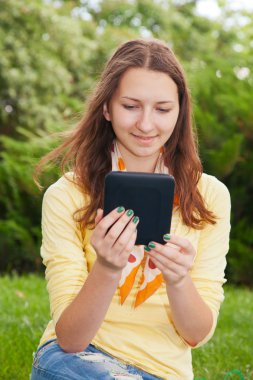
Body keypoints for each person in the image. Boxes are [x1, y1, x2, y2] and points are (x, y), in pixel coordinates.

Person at [31, 38, 231, 380]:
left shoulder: (209, 196)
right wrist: (108, 267)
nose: (146, 124)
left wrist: (179, 279)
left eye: (163, 109)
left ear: (180, 111)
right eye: (131, 106)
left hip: (160, 372)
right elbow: (71, 339)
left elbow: (196, 334)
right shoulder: (66, 195)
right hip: (78, 362)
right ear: (107, 107)